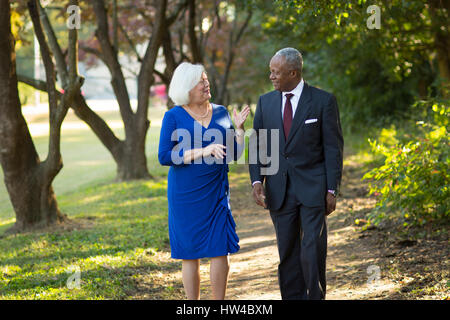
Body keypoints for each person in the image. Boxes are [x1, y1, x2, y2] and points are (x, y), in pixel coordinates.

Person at [249, 48, 344, 300]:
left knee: (312, 250)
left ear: (293, 72)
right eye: (270, 71)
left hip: (314, 188)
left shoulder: (323, 101)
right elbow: (258, 145)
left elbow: (333, 148)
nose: (271, 76)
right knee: (288, 252)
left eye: (276, 72)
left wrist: (332, 188)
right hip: (279, 190)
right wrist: (257, 180)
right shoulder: (265, 102)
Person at [158, 62, 250, 300]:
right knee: (190, 254)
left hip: (216, 191)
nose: (206, 84)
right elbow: (164, 156)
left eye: (206, 79)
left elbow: (232, 154)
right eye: (200, 81)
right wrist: (202, 150)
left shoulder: (220, 112)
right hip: (185, 194)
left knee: (220, 249)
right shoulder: (173, 116)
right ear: (187, 87)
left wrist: (239, 130)